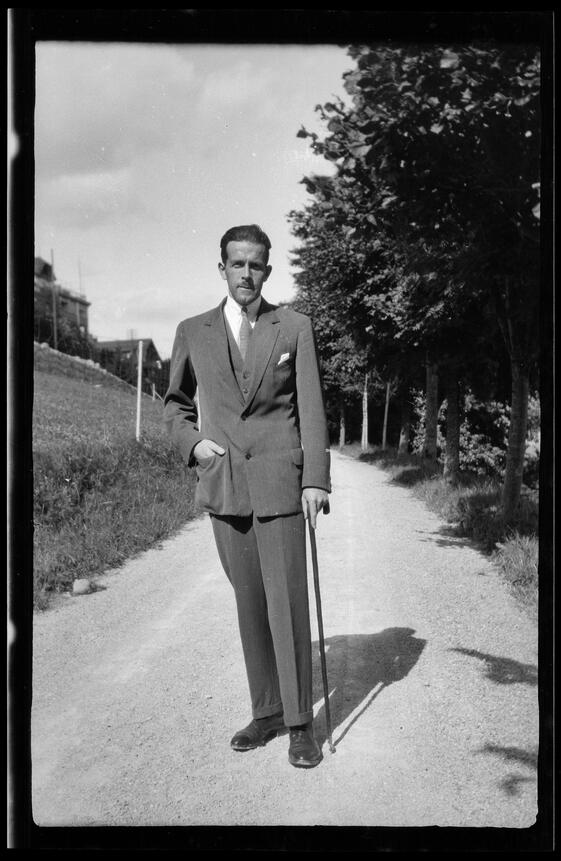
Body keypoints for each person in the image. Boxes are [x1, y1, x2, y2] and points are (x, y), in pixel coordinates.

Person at [164, 224, 331, 768]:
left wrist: (315, 479)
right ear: (222, 269)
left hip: (282, 485)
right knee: (250, 604)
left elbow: (312, 409)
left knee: (288, 604)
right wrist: (194, 445)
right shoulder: (193, 331)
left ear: (267, 270)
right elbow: (175, 404)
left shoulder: (295, 327)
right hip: (226, 484)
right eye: (237, 263)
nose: (246, 273)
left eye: (256, 264)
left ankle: (300, 724)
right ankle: (267, 712)